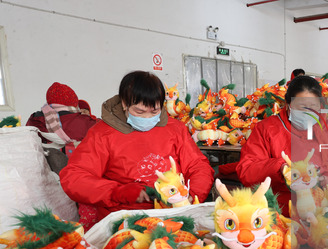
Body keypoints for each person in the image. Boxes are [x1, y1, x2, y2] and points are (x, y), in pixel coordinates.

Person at [60, 71, 214, 229]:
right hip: (124, 219)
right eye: (139, 112)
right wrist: (118, 192)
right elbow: (74, 177)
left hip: (174, 215)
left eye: (154, 111)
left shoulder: (175, 129)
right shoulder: (103, 133)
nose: (147, 118)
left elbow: (198, 166)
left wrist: (191, 197)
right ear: (125, 104)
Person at [237, 75, 328, 216]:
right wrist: (280, 168)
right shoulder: (267, 129)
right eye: (303, 108)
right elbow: (247, 170)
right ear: (288, 104)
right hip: (281, 210)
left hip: (327, 210)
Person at [27, 82, 98, 172]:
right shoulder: (85, 122)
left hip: (47, 173)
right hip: (81, 170)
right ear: (74, 102)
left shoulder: (34, 120)